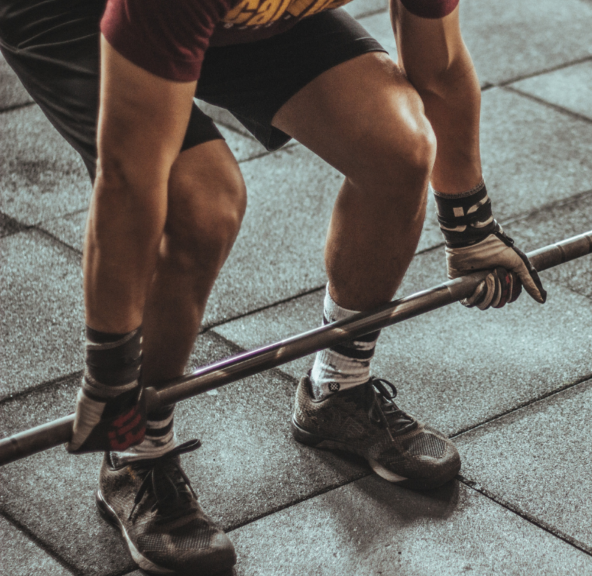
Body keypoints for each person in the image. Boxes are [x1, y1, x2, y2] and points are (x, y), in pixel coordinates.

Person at [0, 0, 545, 573]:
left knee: (399, 147)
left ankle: (337, 390)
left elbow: (439, 67)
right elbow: (132, 180)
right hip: (76, 14)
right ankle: (137, 455)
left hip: (242, 15)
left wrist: (470, 227)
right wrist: (111, 371)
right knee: (198, 202)